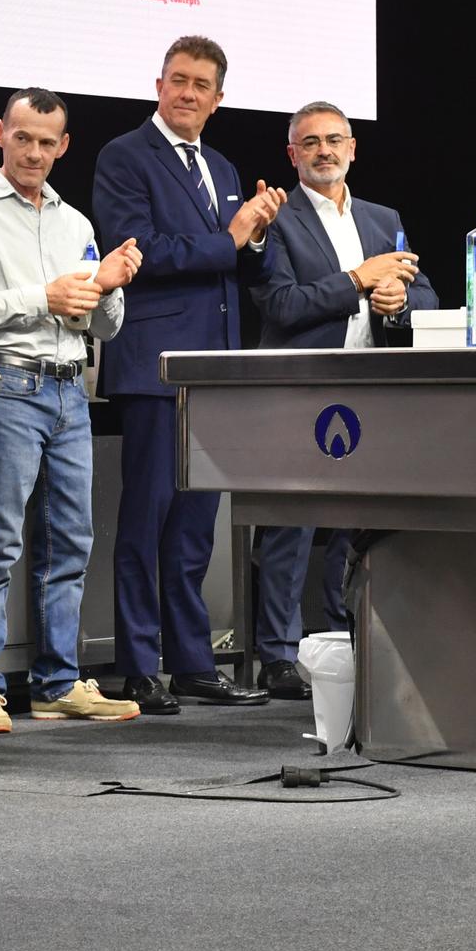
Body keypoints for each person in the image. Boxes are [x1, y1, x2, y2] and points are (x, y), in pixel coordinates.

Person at [0, 88, 144, 734]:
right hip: (9, 385)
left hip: (70, 389)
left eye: (48, 141)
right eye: (24, 137)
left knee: (70, 543)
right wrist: (42, 297)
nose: (35, 151)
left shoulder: (74, 221)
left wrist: (108, 285)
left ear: (64, 145)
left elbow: (104, 325)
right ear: (1, 133)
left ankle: (57, 682)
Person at [92, 36, 284, 716]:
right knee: (146, 519)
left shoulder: (224, 164)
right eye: (178, 80)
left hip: (216, 367)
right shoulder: (124, 156)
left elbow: (240, 268)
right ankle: (141, 665)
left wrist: (256, 236)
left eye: (202, 84)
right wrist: (231, 238)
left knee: (196, 526)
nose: (189, 93)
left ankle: (194, 661)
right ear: (159, 84)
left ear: (219, 97)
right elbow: (137, 248)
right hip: (155, 362)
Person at [249, 100, 437, 698]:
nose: (324, 151)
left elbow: (428, 294)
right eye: (310, 143)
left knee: (364, 520)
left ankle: (348, 639)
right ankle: (277, 655)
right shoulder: (275, 221)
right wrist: (357, 282)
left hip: (372, 385)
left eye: (334, 140)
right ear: (292, 155)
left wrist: (398, 304)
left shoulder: (384, 219)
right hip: (302, 386)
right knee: (293, 523)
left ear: (353, 148)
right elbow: (279, 305)